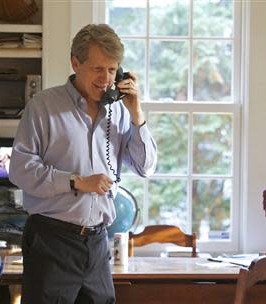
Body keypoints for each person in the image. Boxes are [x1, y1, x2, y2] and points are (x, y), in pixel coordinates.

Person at [9, 24, 157, 304]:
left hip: (97, 243)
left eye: (113, 70)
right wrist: (76, 181)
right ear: (75, 63)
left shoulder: (120, 112)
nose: (106, 79)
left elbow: (145, 167)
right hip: (51, 241)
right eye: (98, 69)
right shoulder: (43, 106)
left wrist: (136, 112)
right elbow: (20, 169)